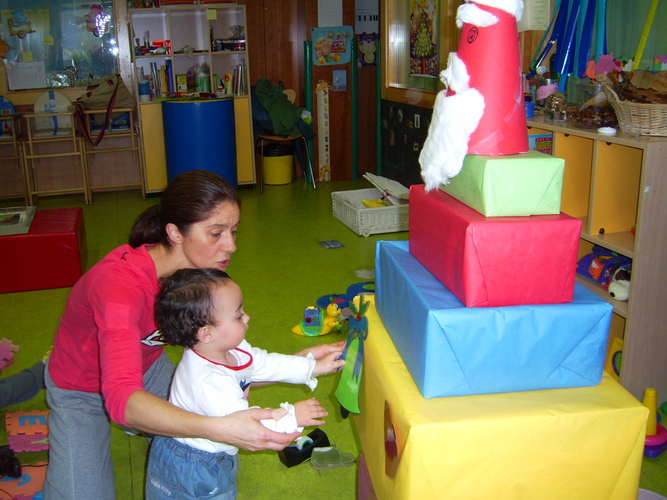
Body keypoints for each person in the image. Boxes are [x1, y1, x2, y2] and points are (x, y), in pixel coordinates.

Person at [43, 170, 344, 500]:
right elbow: (122, 401)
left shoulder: (196, 281)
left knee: (202, 406)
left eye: (233, 231)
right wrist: (214, 428)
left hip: (146, 369)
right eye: (216, 233)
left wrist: (303, 363)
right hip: (80, 387)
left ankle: (150, 425)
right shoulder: (119, 289)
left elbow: (224, 370)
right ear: (174, 233)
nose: (231, 245)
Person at [146, 268, 344, 500]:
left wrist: (313, 366)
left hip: (215, 451)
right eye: (238, 315)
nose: (247, 317)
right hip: (191, 466)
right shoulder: (209, 381)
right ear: (207, 333)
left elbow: (267, 363)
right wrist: (292, 417)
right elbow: (246, 426)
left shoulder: (230, 349)